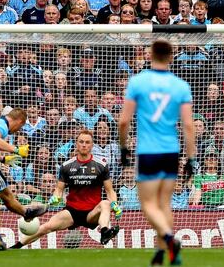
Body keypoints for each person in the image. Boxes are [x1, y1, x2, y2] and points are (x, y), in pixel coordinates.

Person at [118, 39, 196, 266]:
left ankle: (170, 240)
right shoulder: (181, 85)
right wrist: (190, 157)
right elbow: (188, 125)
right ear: (171, 56)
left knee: (149, 205)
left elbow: (124, 121)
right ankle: (161, 253)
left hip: (148, 150)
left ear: (150, 54)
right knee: (164, 204)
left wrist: (123, 147)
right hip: (171, 150)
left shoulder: (138, 82)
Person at [10, 129, 122, 249]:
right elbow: (59, 189)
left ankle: (104, 232)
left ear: (92, 145)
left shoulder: (101, 165)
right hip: (72, 211)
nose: (84, 145)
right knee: (46, 227)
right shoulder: (66, 166)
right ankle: (15, 247)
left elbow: (109, 191)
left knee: (105, 203)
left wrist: (114, 203)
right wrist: (55, 197)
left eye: (87, 142)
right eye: (81, 142)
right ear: (77, 143)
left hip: (92, 212)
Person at [0, 107, 47, 250]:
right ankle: (26, 212)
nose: (16, 131)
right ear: (19, 121)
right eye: (20, 127)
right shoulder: (1, 126)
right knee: (7, 194)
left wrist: (3, 159)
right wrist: (16, 150)